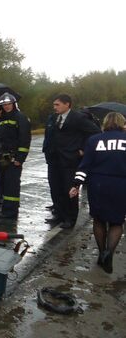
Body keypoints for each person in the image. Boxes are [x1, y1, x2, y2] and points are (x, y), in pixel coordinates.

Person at [69, 112, 126, 273]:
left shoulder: (94, 140)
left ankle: (101, 254)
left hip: (98, 184)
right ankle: (109, 252)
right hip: (121, 184)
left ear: (105, 123)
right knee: (117, 222)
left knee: (99, 220)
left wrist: (76, 184)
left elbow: (85, 165)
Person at [45, 94, 100, 228]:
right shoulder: (53, 117)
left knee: (69, 190)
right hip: (54, 159)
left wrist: (83, 148)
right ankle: (58, 214)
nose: (54, 107)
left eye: (57, 104)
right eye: (54, 104)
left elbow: (96, 132)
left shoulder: (78, 118)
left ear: (67, 104)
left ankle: (70, 218)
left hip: (69, 160)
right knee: (55, 188)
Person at [0, 92, 31, 218]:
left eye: (9, 104)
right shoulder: (1, 119)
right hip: (2, 158)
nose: (6, 106)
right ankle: (6, 209)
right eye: (4, 105)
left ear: (13, 104)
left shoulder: (20, 117)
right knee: (4, 184)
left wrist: (20, 158)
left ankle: (11, 212)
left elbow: (25, 139)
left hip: (14, 158)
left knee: (12, 185)